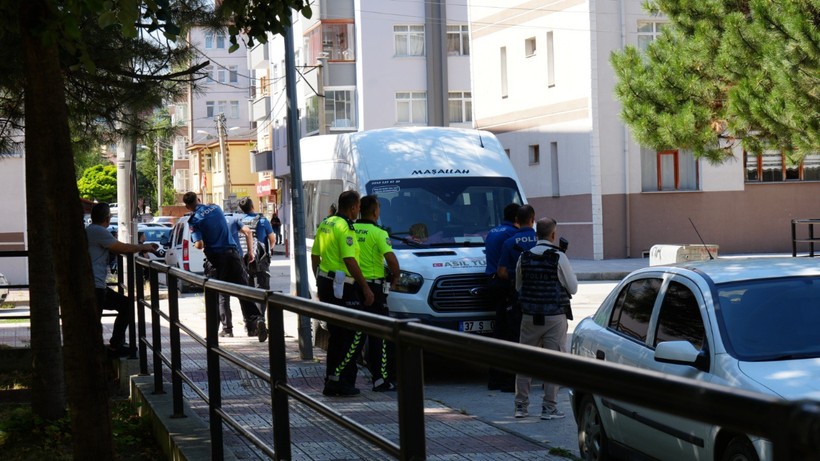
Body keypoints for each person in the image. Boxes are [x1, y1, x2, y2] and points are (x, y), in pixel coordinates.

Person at [513, 217, 578, 420]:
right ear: (553, 235)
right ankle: (549, 408)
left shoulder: (524, 256)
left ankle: (521, 407)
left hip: (529, 316)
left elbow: (518, 287)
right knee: (554, 362)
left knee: (525, 362)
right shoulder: (559, 257)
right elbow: (573, 288)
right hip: (554, 316)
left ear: (535, 235)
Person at [311, 190, 374, 396]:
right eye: (357, 207)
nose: (358, 210)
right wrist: (364, 287)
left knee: (337, 335)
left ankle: (332, 380)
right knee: (354, 333)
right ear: (354, 207)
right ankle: (340, 380)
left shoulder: (326, 222)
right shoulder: (345, 227)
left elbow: (315, 256)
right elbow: (350, 260)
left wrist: (319, 282)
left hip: (327, 283)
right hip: (343, 287)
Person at [182, 192, 267, 342]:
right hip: (233, 255)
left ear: (188, 206)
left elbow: (199, 244)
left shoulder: (194, 220)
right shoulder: (216, 208)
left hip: (216, 259)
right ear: (199, 199)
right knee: (243, 290)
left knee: (215, 295)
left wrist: (198, 244)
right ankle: (257, 320)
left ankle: (214, 333)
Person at [86, 202, 158, 356]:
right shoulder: (98, 231)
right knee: (116, 311)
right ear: (107, 218)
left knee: (124, 306)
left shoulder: (90, 230)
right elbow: (122, 248)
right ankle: (108, 350)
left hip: (95, 285)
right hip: (95, 286)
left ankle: (112, 347)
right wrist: (143, 247)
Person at [354, 195, 401, 391]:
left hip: (354, 286)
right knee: (379, 335)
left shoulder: (351, 229)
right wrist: (396, 277)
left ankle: (345, 377)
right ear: (375, 211)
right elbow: (391, 260)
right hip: (374, 288)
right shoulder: (379, 233)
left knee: (354, 334)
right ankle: (380, 379)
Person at [492, 204, 537, 391]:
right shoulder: (542, 241)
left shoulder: (510, 242)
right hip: (544, 300)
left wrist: (515, 274)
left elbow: (501, 271)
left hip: (517, 297)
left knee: (516, 337)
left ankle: (514, 382)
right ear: (533, 220)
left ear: (517, 221)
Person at [484, 203, 520, 391]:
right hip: (504, 284)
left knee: (499, 331)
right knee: (510, 333)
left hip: (492, 283)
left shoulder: (494, 231)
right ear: (517, 219)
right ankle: (507, 380)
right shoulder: (512, 235)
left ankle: (495, 378)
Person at [218, 211, 254, 337]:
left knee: (223, 295)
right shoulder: (233, 220)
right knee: (243, 292)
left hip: (221, 260)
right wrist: (250, 252)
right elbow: (248, 231)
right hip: (236, 257)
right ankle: (252, 327)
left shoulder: (214, 222)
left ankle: (227, 330)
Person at [238, 197, 275, 308]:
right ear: (252, 206)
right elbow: (272, 240)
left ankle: (251, 319)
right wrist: (268, 251)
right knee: (262, 289)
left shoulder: (239, 221)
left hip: (244, 260)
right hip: (260, 259)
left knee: (247, 290)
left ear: (241, 209)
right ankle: (261, 318)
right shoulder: (262, 221)